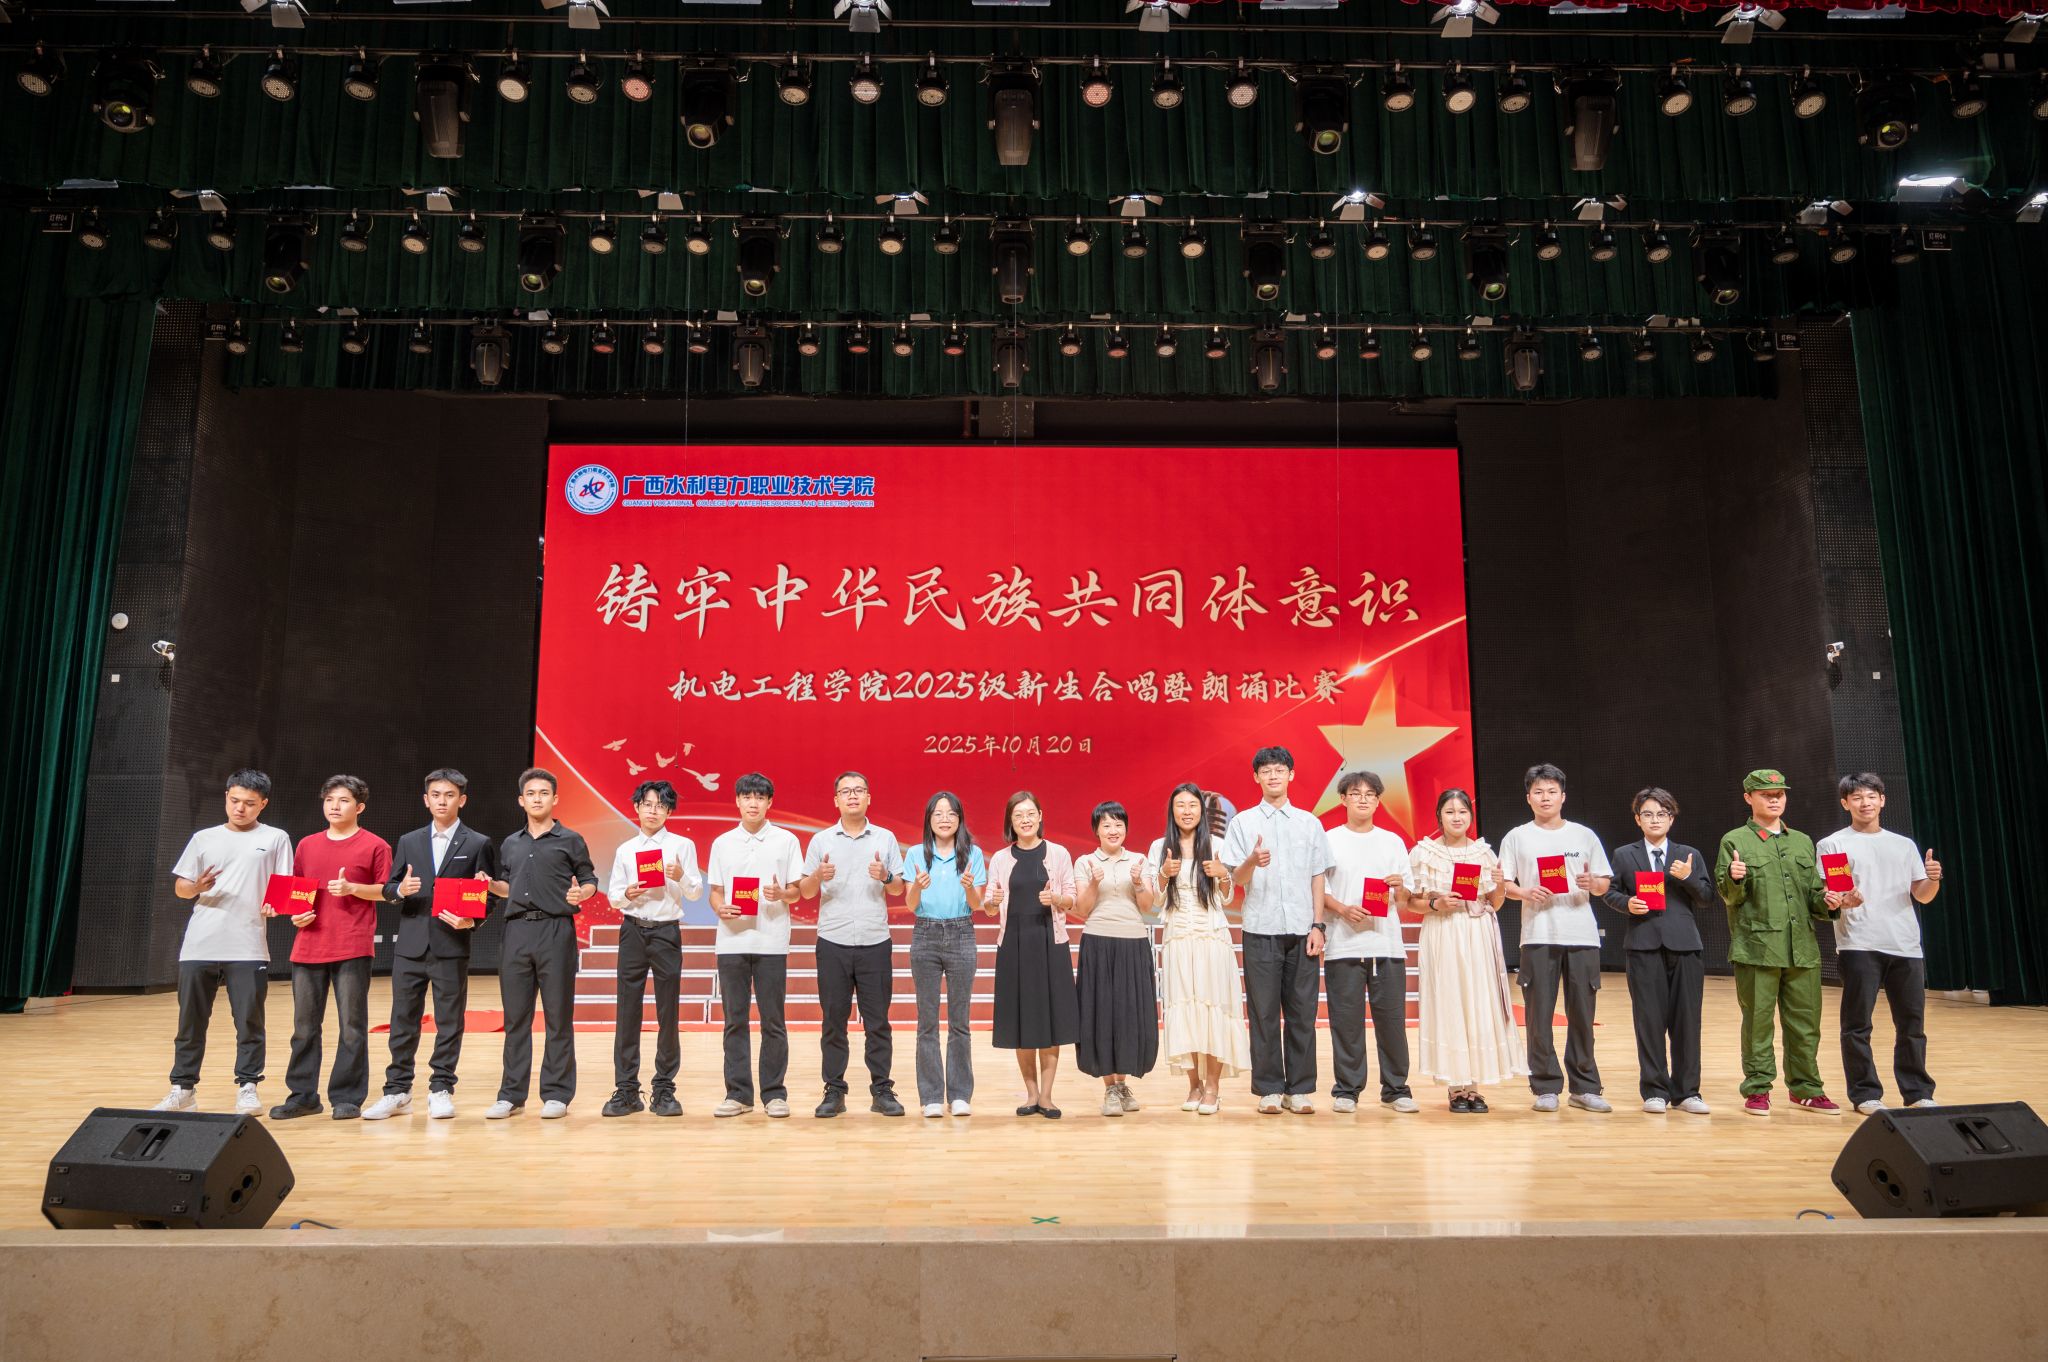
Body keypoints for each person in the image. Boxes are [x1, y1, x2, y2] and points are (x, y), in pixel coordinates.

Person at [154, 769, 295, 1115]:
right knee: (190, 1022)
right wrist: (197, 887)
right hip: (200, 942)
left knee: (249, 1022)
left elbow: (285, 888)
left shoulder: (276, 838)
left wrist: (277, 905)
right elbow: (181, 888)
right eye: (234, 801)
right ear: (226, 797)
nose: (240, 808)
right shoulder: (204, 838)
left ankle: (248, 1087)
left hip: (247, 944)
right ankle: (183, 1089)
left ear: (263, 804)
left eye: (249, 803)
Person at [363, 768, 499, 1122]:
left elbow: (488, 894)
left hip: (451, 944)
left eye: (449, 795)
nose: (442, 801)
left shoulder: (478, 842)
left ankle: (441, 1088)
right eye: (436, 795)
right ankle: (397, 1090)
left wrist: (473, 920)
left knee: (449, 1021)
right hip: (410, 945)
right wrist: (399, 890)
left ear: (462, 800)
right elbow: (390, 886)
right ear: (426, 800)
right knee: (402, 1020)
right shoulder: (409, 841)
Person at [1715, 768, 1847, 1117]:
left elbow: (1813, 896)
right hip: (1757, 948)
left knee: (1806, 1024)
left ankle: (1806, 1089)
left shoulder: (1801, 841)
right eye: (1766, 794)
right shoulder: (1735, 840)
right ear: (1749, 798)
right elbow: (1729, 896)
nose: (1774, 800)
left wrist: (1829, 901)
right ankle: (1758, 1089)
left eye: (1780, 794)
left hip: (1801, 949)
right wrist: (1734, 878)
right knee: (1758, 1023)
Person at [1819, 773, 1944, 1116]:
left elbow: (1922, 895)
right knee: (1857, 1024)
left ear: (1883, 800)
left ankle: (1918, 1091)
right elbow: (1838, 893)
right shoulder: (1833, 844)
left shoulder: (1903, 845)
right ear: (1845, 803)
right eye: (1857, 797)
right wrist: (1847, 900)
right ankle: (1865, 1094)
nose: (1865, 803)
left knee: (1912, 1024)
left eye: (1871, 796)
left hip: (1905, 945)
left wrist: (1933, 879)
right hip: (1859, 943)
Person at [271, 775, 393, 1121]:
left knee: (352, 1026)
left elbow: (386, 890)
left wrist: (353, 888)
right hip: (308, 945)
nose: (335, 806)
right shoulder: (307, 845)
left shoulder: (376, 845)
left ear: (360, 807)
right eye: (329, 800)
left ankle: (347, 1097)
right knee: (304, 1028)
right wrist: (295, 915)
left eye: (343, 800)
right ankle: (302, 1096)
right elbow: (296, 892)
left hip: (352, 944)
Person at [1497, 763, 1614, 1114]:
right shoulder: (1517, 837)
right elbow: (1504, 883)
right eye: (1538, 792)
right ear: (1528, 798)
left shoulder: (1584, 835)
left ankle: (1585, 1087)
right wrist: (1525, 892)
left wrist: (1593, 884)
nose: (1545, 798)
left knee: (1582, 1014)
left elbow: (1603, 883)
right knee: (1538, 1015)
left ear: (1563, 796)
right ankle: (1545, 1086)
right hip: (1538, 934)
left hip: (1581, 934)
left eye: (1551, 791)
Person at [1221, 746, 1333, 1114]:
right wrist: (1252, 860)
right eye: (1266, 771)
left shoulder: (1308, 823)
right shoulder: (1243, 823)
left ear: (1291, 775)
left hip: (1302, 929)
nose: (1273, 776)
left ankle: (1298, 1089)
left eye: (1279, 770)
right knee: (1264, 1013)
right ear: (1256, 777)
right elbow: (1237, 879)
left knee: (1302, 1013)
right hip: (1260, 929)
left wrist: (1318, 924)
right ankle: (1269, 1088)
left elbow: (1318, 876)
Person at [484, 768, 598, 1120]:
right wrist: (491, 885)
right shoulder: (511, 843)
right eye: (531, 793)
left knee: (558, 1017)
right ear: (521, 800)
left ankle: (557, 1094)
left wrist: (583, 893)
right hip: (516, 931)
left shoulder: (571, 839)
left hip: (556, 930)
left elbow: (589, 879)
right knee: (515, 1018)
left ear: (555, 798)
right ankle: (511, 1095)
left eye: (544, 793)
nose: (537, 798)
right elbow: (507, 885)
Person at [1598, 787, 1714, 1116]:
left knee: (1687, 1021)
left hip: (1685, 945)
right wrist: (1627, 904)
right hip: (1643, 945)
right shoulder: (1624, 854)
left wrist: (1688, 878)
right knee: (1648, 1021)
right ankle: (1654, 1091)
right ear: (1638, 819)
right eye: (1647, 814)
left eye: (1662, 814)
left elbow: (1706, 898)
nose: (1655, 820)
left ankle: (1688, 1092)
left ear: (1671, 819)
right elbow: (1610, 892)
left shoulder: (1688, 854)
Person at [1406, 788, 1523, 1112]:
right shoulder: (1424, 853)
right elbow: (1411, 902)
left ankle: (1473, 1087)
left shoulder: (1484, 853)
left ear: (1471, 816)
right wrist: (1437, 904)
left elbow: (1495, 903)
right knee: (1450, 1002)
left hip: (1477, 933)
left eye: (1462, 812)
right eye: (1450, 812)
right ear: (1439, 816)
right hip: (1443, 931)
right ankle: (1455, 1087)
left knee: (1477, 1002)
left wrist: (1499, 884)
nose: (1457, 818)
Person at [797, 771, 906, 1117]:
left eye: (859, 790)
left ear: (869, 798)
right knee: (833, 1021)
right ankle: (834, 1091)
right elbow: (805, 891)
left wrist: (885, 876)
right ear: (836, 800)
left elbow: (899, 888)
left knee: (878, 1022)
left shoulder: (886, 838)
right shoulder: (821, 841)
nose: (853, 796)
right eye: (846, 791)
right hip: (833, 941)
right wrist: (818, 875)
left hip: (875, 941)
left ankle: (882, 1090)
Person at [706, 773, 805, 1119]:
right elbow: (715, 892)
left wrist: (782, 894)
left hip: (771, 941)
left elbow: (797, 891)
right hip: (731, 941)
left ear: (769, 802)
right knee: (734, 1020)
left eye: (760, 798)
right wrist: (720, 908)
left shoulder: (786, 840)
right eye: (747, 797)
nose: (753, 803)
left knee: (773, 1020)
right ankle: (738, 1094)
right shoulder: (722, 843)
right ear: (737, 801)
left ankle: (774, 1094)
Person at [602, 779, 703, 1118]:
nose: (653, 811)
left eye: (661, 805)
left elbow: (695, 893)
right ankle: (626, 1089)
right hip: (632, 930)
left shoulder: (682, 846)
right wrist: (627, 894)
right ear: (637, 807)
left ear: (669, 811)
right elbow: (614, 896)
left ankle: (664, 1088)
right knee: (627, 1011)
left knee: (667, 1012)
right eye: (647, 804)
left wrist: (681, 875)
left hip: (666, 932)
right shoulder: (626, 849)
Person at [1321, 770, 1419, 1115]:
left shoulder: (1392, 842)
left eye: (1369, 794)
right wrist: (1342, 909)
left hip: (1385, 945)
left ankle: (1396, 1089)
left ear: (1378, 801)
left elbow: (1405, 899)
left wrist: (1399, 888)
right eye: (1355, 793)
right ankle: (1347, 1090)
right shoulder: (1329, 839)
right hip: (1343, 945)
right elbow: (1320, 890)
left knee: (1392, 1022)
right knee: (1346, 1023)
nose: (1362, 799)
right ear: (1343, 799)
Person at [1150, 782, 1248, 1115]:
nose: (1187, 811)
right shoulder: (1159, 847)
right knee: (1185, 1010)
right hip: (1177, 937)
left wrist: (1223, 875)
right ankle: (1193, 1085)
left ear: (1202, 811)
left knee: (1212, 1008)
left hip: (1211, 936)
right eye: (1180, 805)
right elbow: (1156, 898)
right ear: (1172, 811)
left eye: (1193, 805)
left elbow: (1227, 897)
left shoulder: (1218, 845)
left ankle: (1213, 1089)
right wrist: (1163, 874)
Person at [986, 791, 1079, 1117]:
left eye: (1030, 813)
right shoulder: (1000, 859)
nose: (1025, 820)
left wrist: (1057, 899)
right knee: (1021, 1020)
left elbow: (1072, 899)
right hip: (1014, 944)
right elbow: (989, 905)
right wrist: (992, 901)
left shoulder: (1058, 853)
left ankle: (1048, 1096)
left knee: (1051, 1020)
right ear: (1010, 822)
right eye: (1018, 815)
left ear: (1040, 816)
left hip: (1050, 942)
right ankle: (1031, 1094)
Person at [1072, 800, 1160, 1118]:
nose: (1113, 830)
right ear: (1096, 830)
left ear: (1126, 829)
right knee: (1101, 1014)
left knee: (1129, 1014)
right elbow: (1082, 909)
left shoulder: (1139, 860)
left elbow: (1148, 906)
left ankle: (1122, 1084)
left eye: (1119, 824)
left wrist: (1137, 882)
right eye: (1106, 825)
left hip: (1133, 942)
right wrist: (1095, 882)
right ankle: (1109, 1086)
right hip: (1098, 941)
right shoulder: (1085, 862)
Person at [902, 791, 987, 1118]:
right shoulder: (915, 854)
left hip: (962, 932)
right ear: (929, 819)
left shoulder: (973, 854)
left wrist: (968, 887)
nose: (944, 819)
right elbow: (911, 905)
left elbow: (977, 904)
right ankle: (931, 1097)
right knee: (927, 1022)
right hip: (925, 934)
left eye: (951, 813)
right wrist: (917, 887)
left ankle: (960, 1094)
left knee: (959, 1021)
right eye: (938, 814)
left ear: (959, 819)